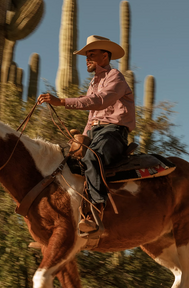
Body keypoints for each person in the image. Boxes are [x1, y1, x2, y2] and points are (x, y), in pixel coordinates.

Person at [38, 35, 136, 233]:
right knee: (68, 164)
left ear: (105, 56)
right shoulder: (93, 83)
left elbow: (100, 101)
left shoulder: (115, 76)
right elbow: (92, 117)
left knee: (93, 158)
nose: (87, 59)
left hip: (114, 132)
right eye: (86, 55)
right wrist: (82, 138)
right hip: (96, 132)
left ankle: (96, 213)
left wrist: (62, 102)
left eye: (91, 54)